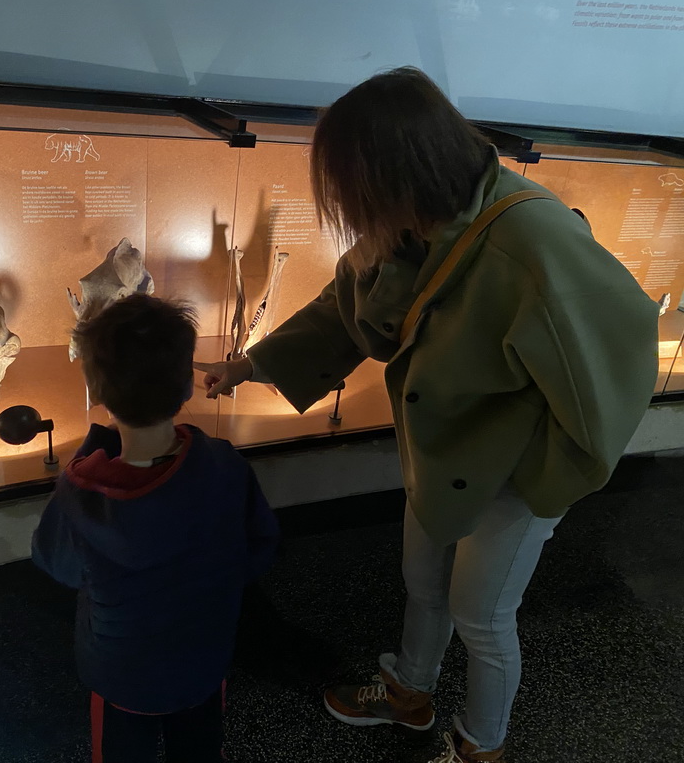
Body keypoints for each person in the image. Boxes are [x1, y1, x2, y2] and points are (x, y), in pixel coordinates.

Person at [196, 67, 658, 763]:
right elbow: (342, 302)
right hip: (442, 452)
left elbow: (617, 358)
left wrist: (553, 481)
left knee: (483, 617)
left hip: (512, 469)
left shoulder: (530, 238)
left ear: (394, 172)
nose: (350, 204)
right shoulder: (414, 222)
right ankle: (410, 691)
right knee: (424, 584)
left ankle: (481, 744)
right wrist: (250, 364)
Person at [32, 294, 279, 763]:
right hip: (202, 662)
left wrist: (94, 448)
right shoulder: (224, 465)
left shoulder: (81, 491)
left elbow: (57, 564)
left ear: (96, 391)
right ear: (187, 385)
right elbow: (259, 548)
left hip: (120, 673)